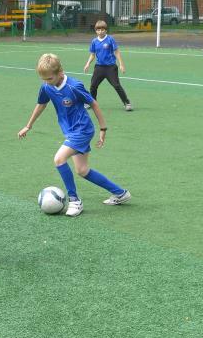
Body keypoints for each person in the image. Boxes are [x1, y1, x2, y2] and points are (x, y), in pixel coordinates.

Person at [18, 53, 130, 218]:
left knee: (59, 159)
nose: (46, 82)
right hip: (70, 131)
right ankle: (120, 193)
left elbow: (93, 103)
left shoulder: (74, 86)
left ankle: (74, 200)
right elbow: (41, 104)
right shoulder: (47, 87)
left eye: (49, 78)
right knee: (82, 170)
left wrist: (103, 129)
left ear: (60, 72)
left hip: (82, 130)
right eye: (43, 79)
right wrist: (28, 125)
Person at [83, 20, 132, 111]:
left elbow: (116, 52)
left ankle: (127, 103)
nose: (100, 32)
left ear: (106, 30)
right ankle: (92, 103)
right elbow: (92, 54)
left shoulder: (110, 39)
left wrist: (121, 64)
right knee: (93, 86)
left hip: (110, 67)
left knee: (116, 85)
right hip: (99, 67)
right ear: (96, 31)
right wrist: (87, 64)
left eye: (102, 30)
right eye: (98, 30)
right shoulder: (94, 41)